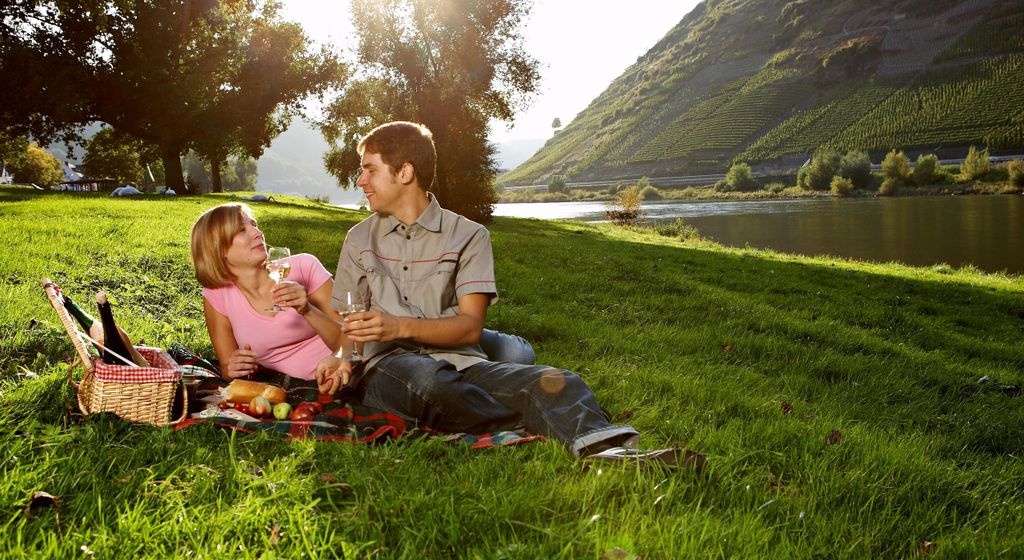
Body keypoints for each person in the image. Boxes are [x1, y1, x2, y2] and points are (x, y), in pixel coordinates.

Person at [317, 122, 702, 467]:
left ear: (404, 172)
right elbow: (350, 322)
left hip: (459, 363)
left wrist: (397, 324)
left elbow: (469, 329)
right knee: (426, 379)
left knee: (560, 380)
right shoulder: (358, 238)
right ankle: (535, 416)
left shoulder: (469, 236)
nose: (360, 180)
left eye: (369, 169)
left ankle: (608, 452)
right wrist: (342, 358)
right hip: (388, 369)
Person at [189, 203, 534, 384]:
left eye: (253, 223)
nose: (256, 232)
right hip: (362, 363)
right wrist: (232, 367)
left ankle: (491, 343)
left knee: (517, 355)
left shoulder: (303, 267)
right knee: (444, 374)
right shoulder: (218, 297)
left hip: (367, 349)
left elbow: (350, 333)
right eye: (241, 230)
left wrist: (307, 308)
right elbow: (227, 365)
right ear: (218, 251)